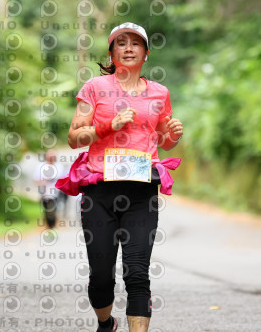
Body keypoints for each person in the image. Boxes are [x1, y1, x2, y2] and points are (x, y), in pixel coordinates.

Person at [57, 22, 183, 332]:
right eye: (121, 43)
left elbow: (163, 140)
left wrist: (173, 136)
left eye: (135, 43)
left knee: (137, 273)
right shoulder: (95, 87)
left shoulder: (159, 93)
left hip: (142, 191)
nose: (128, 48)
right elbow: (74, 138)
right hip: (99, 192)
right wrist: (108, 126)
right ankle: (106, 323)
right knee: (101, 276)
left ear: (146, 53)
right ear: (112, 54)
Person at [33, 149, 66, 228]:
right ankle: (49, 224)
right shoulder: (41, 166)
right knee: (47, 209)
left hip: (56, 193)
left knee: (53, 208)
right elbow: (36, 179)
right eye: (49, 156)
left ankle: (52, 225)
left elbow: (64, 179)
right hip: (44, 193)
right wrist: (43, 182)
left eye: (53, 156)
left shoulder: (59, 167)